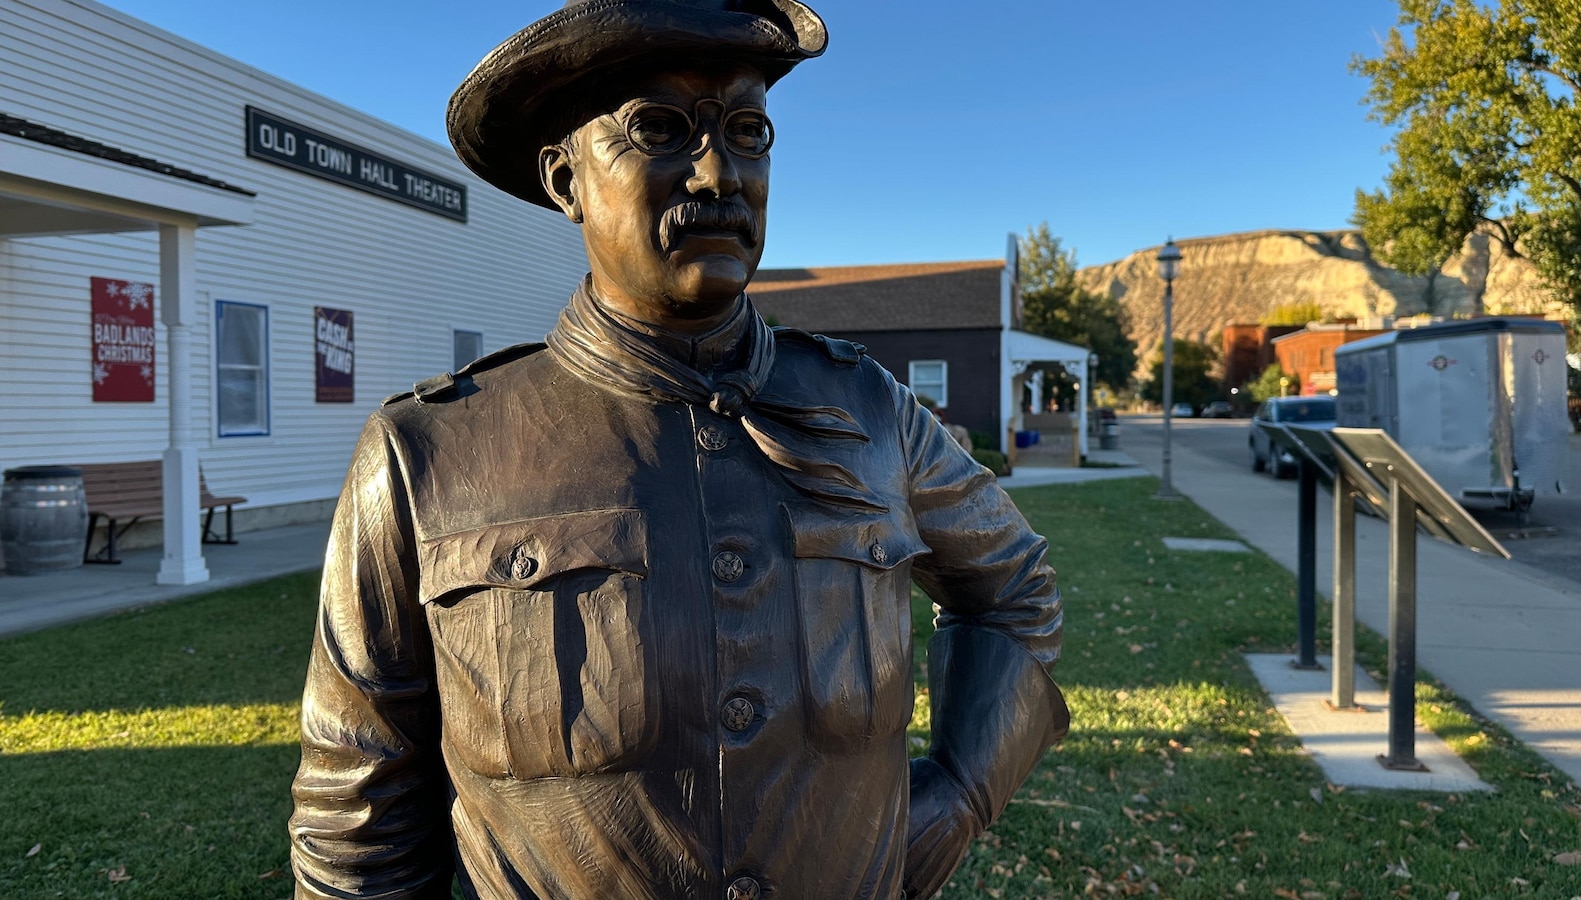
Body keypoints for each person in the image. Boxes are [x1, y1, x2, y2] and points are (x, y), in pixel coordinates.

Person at [288, 2, 1069, 898]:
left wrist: (961, 794)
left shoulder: (870, 410)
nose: (718, 173)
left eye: (747, 132)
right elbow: (356, 812)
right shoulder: (428, 452)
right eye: (659, 129)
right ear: (565, 179)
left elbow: (1015, 592)